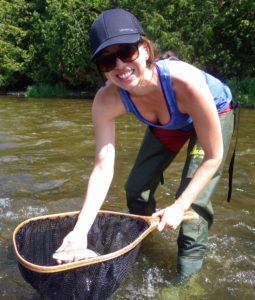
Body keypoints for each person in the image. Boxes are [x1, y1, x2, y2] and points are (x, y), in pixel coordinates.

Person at [56, 8, 235, 283]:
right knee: (136, 189)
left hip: (214, 111)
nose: (119, 65)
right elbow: (103, 167)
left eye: (127, 51)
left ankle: (185, 283)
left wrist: (179, 205)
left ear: (146, 48)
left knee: (192, 206)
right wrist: (80, 230)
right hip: (169, 122)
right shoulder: (106, 101)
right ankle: (143, 241)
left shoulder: (184, 82)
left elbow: (214, 155)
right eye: (106, 60)